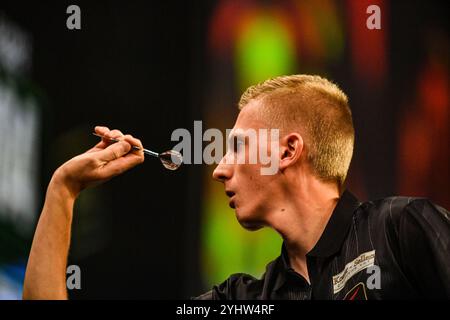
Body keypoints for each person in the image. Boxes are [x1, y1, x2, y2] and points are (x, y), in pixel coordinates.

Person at [23, 75, 449, 300]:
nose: (219, 170)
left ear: (287, 151)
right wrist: (63, 190)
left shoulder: (400, 230)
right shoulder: (243, 299)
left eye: (237, 147)